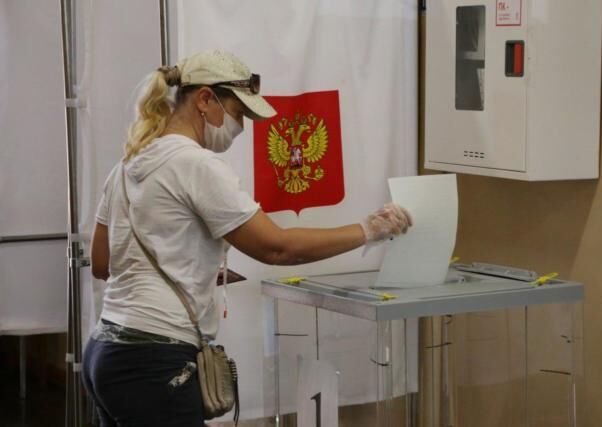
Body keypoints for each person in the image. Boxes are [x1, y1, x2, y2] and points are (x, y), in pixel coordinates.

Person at [83, 49, 412, 426]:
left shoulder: (127, 165)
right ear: (205, 99)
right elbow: (277, 248)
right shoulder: (196, 164)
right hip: (154, 360)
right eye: (238, 112)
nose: (240, 126)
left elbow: (102, 263)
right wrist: (368, 230)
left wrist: (187, 264)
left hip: (105, 353)